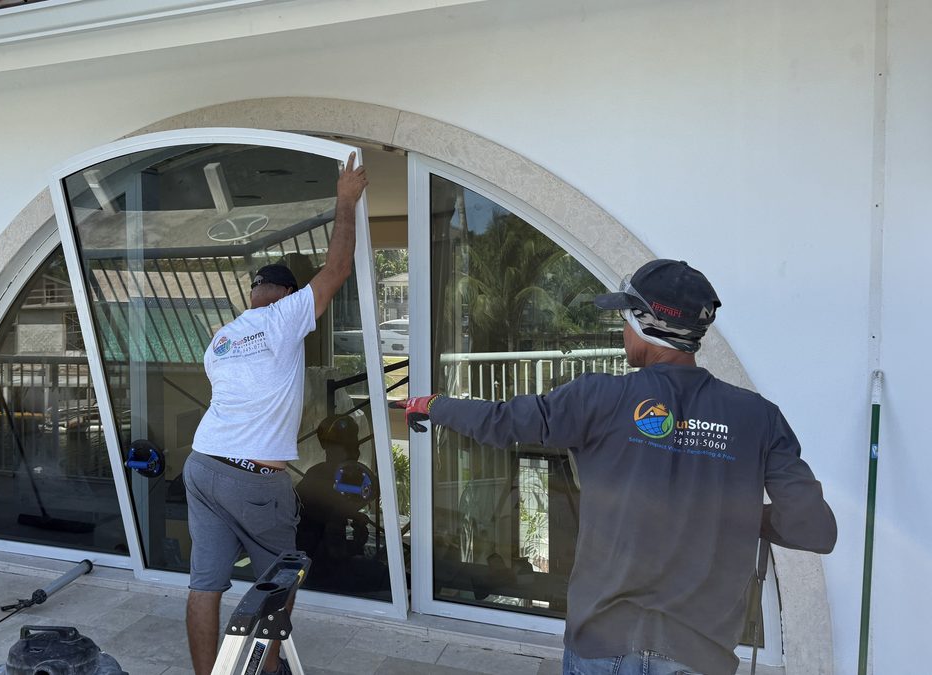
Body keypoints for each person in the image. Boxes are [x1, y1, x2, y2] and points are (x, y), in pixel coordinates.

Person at [393, 259, 836, 675]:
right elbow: (813, 528)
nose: (624, 330)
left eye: (626, 319)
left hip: (602, 648)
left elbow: (502, 421)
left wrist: (435, 404)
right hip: (698, 656)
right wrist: (738, 513)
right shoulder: (759, 417)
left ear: (645, 324)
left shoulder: (600, 398)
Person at [182, 153, 368, 675]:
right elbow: (337, 269)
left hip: (203, 465)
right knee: (277, 585)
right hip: (252, 480)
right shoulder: (284, 316)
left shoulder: (223, 338)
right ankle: (266, 671)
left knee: (205, 585)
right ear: (286, 294)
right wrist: (346, 200)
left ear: (253, 293)